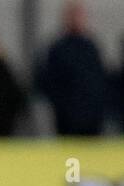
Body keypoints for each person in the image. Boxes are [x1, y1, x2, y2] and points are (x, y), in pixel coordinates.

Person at [38, 0, 108, 136]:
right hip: (66, 119)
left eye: (79, 15)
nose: (76, 19)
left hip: (92, 119)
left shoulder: (91, 47)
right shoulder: (57, 49)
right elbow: (48, 82)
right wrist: (61, 107)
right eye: (73, 15)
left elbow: (99, 81)